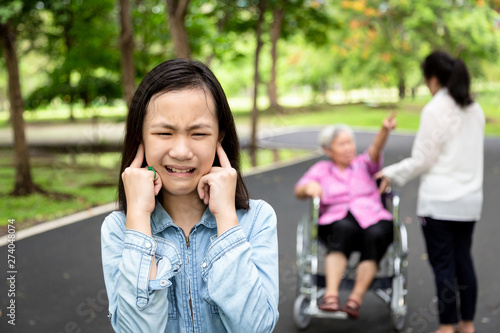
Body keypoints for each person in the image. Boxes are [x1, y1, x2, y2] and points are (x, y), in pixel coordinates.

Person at [101, 59, 279, 333]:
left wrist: (226, 219)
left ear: (219, 136)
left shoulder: (257, 219)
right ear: (140, 138)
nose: (182, 151)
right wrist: (138, 218)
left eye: (198, 133)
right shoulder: (118, 228)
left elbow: (256, 328)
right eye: (164, 133)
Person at [377, 51, 484, 333]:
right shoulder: (474, 109)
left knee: (444, 265)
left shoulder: (435, 109)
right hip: (470, 201)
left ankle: (447, 326)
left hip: (440, 203)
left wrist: (390, 173)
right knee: (464, 261)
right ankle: (468, 323)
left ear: (433, 79)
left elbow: (422, 159)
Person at [294, 113, 396, 319]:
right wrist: (309, 188)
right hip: (337, 221)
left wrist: (384, 130)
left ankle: (354, 300)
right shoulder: (321, 170)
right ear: (328, 150)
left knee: (377, 234)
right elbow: (299, 190)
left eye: (350, 142)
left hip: (373, 217)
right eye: (342, 144)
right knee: (343, 228)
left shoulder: (364, 164)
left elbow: (375, 151)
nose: (349, 148)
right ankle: (331, 296)